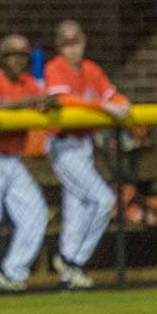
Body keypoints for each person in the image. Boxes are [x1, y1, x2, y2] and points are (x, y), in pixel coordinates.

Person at [43, 20, 130, 289]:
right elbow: (63, 100)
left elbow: (112, 95)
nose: (73, 50)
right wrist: (103, 107)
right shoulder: (54, 68)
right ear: (59, 47)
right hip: (63, 144)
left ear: (83, 42)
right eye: (67, 45)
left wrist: (122, 103)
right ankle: (72, 259)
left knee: (77, 208)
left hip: (84, 145)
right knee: (103, 200)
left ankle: (69, 272)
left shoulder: (91, 69)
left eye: (76, 43)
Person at [0, 34, 58, 291]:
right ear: (2, 57)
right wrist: (30, 103)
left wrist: (48, 103)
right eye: (12, 54)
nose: (18, 59)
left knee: (37, 213)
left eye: (23, 54)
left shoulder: (29, 82)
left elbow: (43, 103)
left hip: (13, 158)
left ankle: (14, 270)